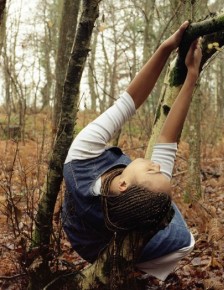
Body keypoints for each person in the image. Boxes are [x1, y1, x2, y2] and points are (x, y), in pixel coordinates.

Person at [62, 20, 202, 283]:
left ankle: (132, 259)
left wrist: (187, 72)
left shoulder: (80, 156)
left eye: (152, 169)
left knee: (181, 237)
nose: (157, 165)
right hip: (86, 237)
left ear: (124, 184)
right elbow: (162, 137)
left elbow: (130, 105)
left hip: (99, 233)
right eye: (156, 169)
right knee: (184, 239)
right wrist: (173, 57)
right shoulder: (83, 162)